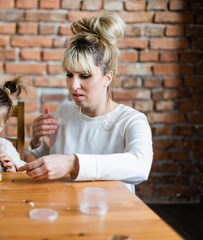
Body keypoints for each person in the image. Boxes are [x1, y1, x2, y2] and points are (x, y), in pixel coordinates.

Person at [18, 11, 153, 193]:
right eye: (69, 75)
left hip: (114, 213)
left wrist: (73, 162)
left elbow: (141, 167)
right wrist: (37, 142)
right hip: (66, 206)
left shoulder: (132, 121)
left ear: (107, 77)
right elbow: (57, 166)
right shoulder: (64, 111)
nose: (74, 85)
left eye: (85, 76)